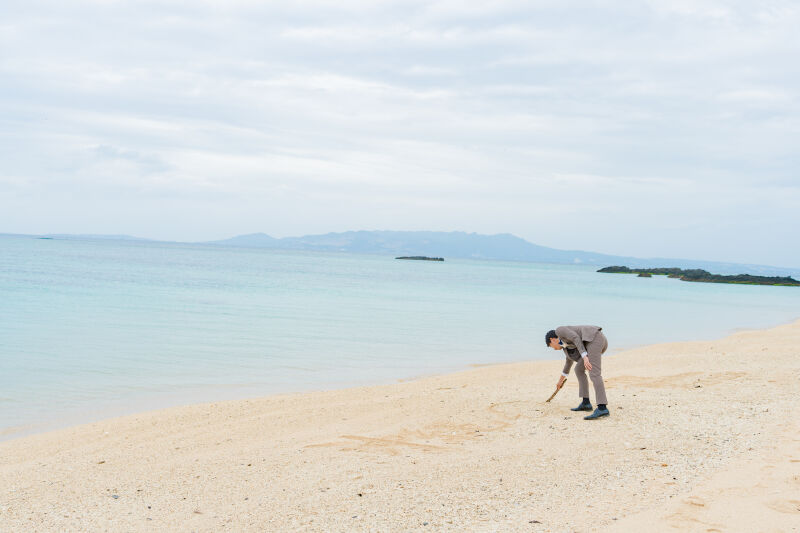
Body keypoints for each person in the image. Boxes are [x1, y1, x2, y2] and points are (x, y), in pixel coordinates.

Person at [545, 325, 609, 420]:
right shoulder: (565, 347)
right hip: (589, 346)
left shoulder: (560, 331)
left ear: (552, 339)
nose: (554, 349)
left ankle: (602, 407)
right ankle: (586, 403)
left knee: (594, 373)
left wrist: (584, 356)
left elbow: (575, 337)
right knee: (578, 370)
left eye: (551, 346)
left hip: (594, 339)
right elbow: (568, 363)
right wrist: (560, 381)